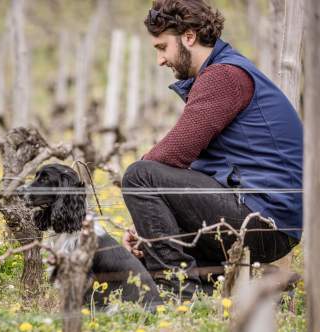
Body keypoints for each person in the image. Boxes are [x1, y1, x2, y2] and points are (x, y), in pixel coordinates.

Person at [121, 0, 302, 299]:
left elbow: (173, 153)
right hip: (264, 217)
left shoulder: (224, 76)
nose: (161, 60)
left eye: (162, 47)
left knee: (140, 175)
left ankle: (180, 293)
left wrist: (141, 205)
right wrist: (145, 224)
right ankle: (206, 291)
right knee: (151, 241)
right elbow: (195, 171)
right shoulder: (223, 73)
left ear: (188, 36)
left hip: (264, 221)